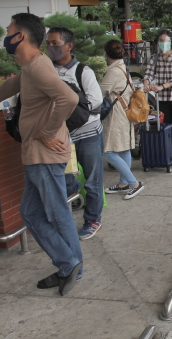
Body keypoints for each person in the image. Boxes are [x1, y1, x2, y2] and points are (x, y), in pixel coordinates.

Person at [0, 13, 83, 295]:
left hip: (44, 155)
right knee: (31, 213)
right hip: (38, 156)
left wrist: (46, 133)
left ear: (20, 36)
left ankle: (71, 264)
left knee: (54, 214)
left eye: (9, 30)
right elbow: (4, 89)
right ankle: (70, 265)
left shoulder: (37, 67)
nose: (6, 36)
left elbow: (69, 98)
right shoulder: (30, 68)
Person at [46, 27, 104, 240]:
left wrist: (71, 107)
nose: (51, 48)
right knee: (65, 177)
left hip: (88, 133)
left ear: (69, 46)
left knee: (93, 180)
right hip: (63, 137)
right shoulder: (48, 71)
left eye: (55, 43)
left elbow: (96, 101)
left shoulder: (83, 72)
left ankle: (93, 219)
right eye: (49, 43)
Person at [101, 40, 144, 199]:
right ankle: (123, 183)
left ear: (106, 54)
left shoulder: (113, 71)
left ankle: (134, 183)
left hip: (117, 115)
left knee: (109, 152)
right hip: (125, 112)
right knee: (125, 149)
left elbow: (101, 90)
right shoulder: (122, 68)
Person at [144, 29, 172, 167]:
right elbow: (149, 73)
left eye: (166, 41)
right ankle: (168, 154)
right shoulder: (155, 58)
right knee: (165, 127)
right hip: (162, 99)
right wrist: (146, 83)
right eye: (161, 41)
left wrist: (161, 86)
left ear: (171, 42)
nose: (163, 43)